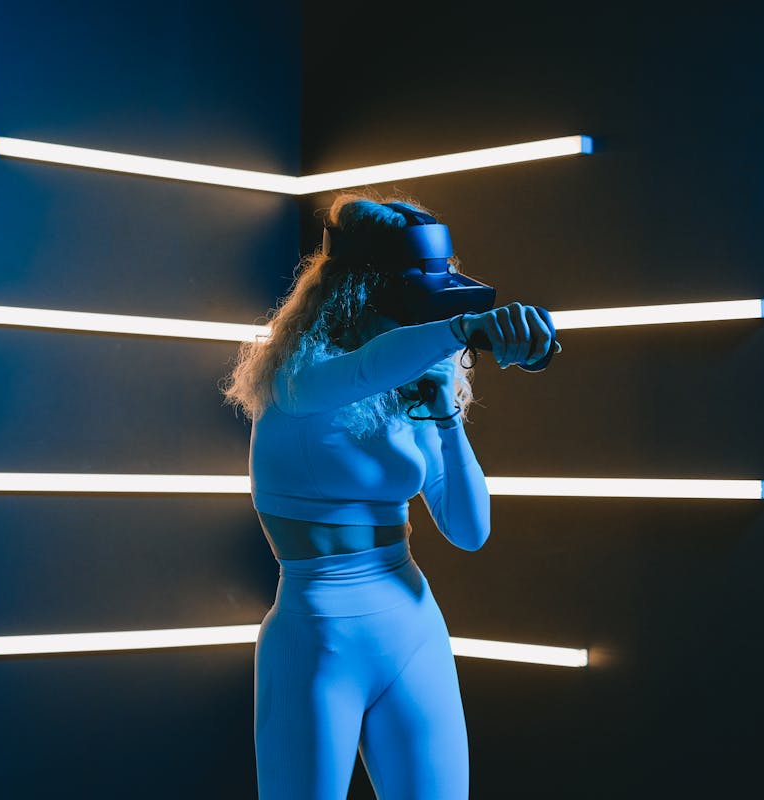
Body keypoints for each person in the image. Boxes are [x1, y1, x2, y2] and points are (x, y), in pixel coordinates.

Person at [219, 191, 555, 799]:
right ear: (361, 292)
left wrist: (446, 418)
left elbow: (470, 531)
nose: (424, 320)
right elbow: (368, 368)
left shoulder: (411, 374)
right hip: (317, 641)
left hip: (413, 625)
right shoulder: (296, 377)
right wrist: (465, 328)